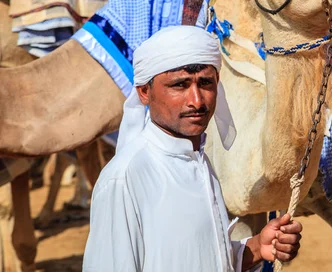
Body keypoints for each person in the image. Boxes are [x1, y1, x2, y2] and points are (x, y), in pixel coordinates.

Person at [83, 26, 302, 271]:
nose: (197, 101)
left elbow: (203, 259)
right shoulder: (124, 179)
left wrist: (257, 247)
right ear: (145, 92)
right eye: (180, 85)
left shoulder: (199, 162)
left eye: (205, 83)